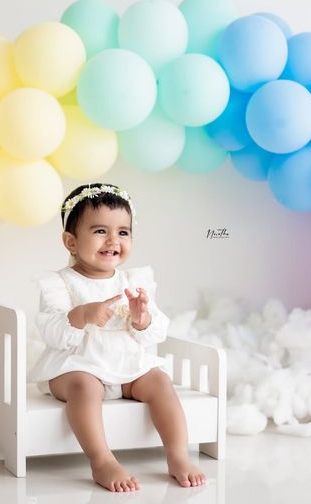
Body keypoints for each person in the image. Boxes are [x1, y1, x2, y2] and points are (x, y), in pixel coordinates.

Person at [28, 183, 206, 492]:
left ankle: (177, 456)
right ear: (70, 241)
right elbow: (52, 331)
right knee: (86, 385)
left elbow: (157, 330)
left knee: (159, 380)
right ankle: (102, 460)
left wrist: (142, 318)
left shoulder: (135, 281)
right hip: (75, 365)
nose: (113, 240)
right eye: (100, 231)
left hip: (125, 365)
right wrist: (82, 315)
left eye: (123, 232)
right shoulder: (60, 283)